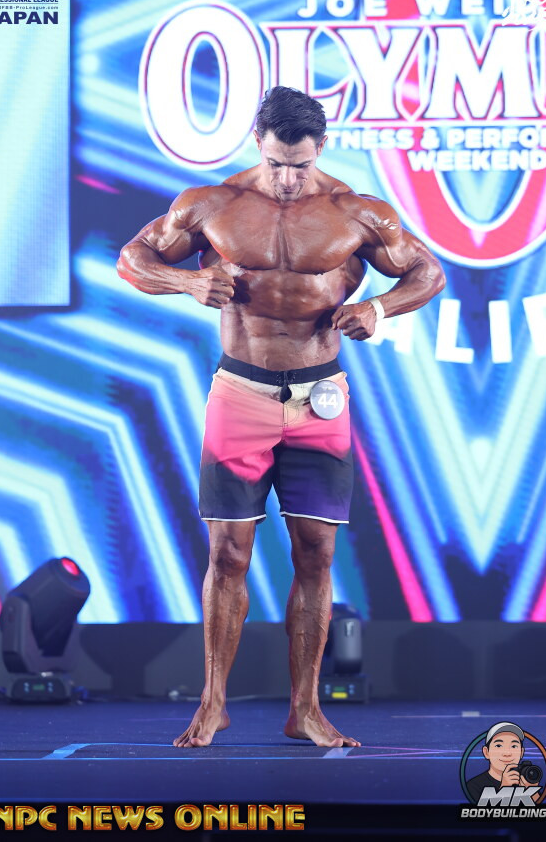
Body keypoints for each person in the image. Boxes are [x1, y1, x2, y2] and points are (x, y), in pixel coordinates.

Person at [117, 86, 446, 747]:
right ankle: (213, 703)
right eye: (274, 162)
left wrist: (378, 308)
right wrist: (188, 281)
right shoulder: (213, 204)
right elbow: (132, 259)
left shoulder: (358, 212)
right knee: (228, 553)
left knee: (317, 554)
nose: (287, 179)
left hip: (321, 398)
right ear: (257, 144)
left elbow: (428, 272)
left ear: (320, 148)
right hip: (241, 392)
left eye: (299, 164)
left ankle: (307, 710)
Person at [466, 722, 541, 803]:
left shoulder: (526, 780)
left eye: (514, 746)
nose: (507, 753)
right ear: (486, 752)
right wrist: (504, 789)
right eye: (498, 746)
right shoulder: (473, 786)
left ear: (521, 752)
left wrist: (532, 791)